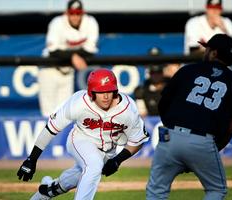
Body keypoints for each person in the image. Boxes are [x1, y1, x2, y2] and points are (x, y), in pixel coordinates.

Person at [17, 68, 150, 200]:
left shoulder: (128, 109)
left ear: (115, 90)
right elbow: (51, 129)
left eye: (109, 91)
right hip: (81, 139)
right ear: (91, 92)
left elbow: (136, 141)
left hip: (108, 152)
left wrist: (117, 160)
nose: (106, 96)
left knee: (81, 175)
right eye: (100, 91)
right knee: (94, 166)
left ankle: (48, 190)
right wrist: (32, 159)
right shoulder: (79, 102)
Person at [146, 34, 232, 200]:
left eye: (206, 48)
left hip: (170, 136)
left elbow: (163, 104)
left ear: (214, 53)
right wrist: (210, 149)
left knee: (156, 191)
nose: (204, 51)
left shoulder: (188, 70)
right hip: (203, 140)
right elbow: (230, 127)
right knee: (216, 190)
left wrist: (174, 129)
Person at [38, 0, 99, 117]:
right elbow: (52, 51)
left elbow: (90, 51)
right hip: (49, 70)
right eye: (72, 13)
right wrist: (73, 56)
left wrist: (72, 57)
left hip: (68, 71)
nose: (75, 16)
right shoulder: (57, 23)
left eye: (78, 13)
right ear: (66, 13)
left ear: (83, 13)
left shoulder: (90, 23)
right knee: (48, 115)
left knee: (64, 115)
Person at [134, 47, 168, 117]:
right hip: (151, 125)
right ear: (149, 72)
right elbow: (143, 117)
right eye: (153, 72)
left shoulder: (172, 87)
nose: (156, 75)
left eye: (159, 72)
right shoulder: (142, 91)